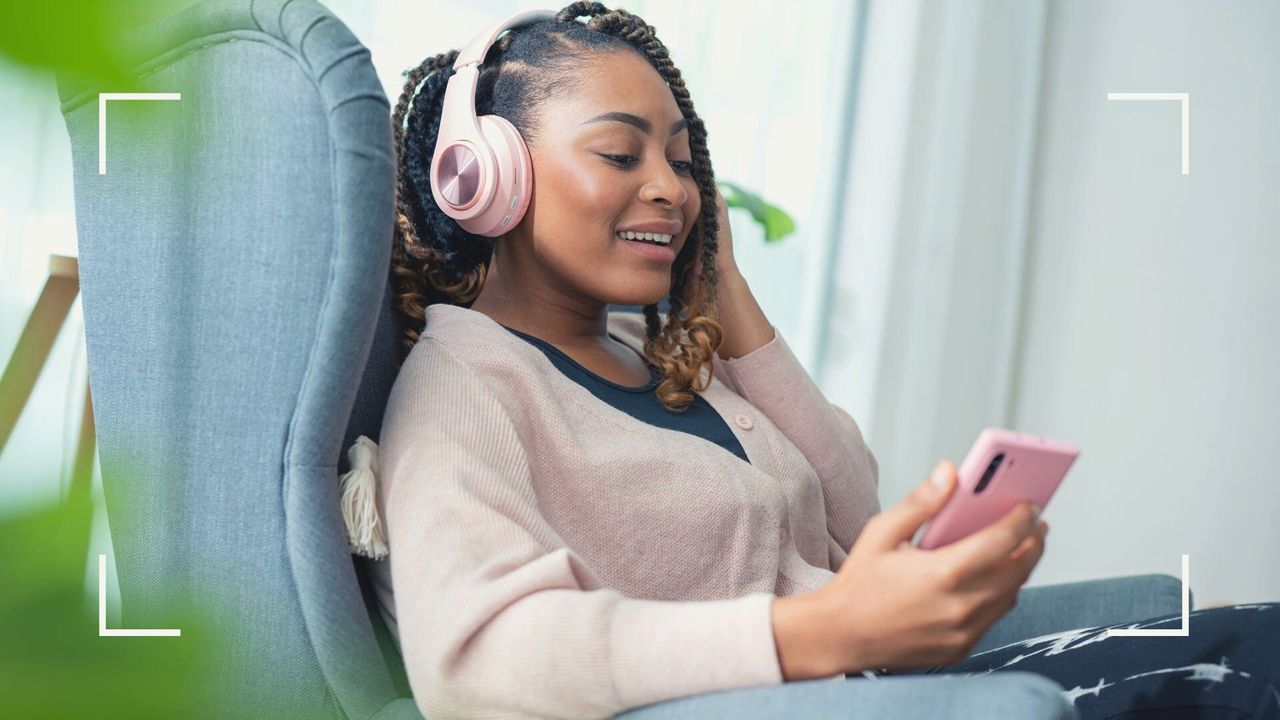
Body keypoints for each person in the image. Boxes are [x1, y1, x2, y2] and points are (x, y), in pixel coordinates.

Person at [363, 2, 1279, 718]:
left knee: (1258, 644)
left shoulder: (656, 355)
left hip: (897, 690)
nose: (671, 188)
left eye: (683, 164)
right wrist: (822, 630)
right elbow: (475, 659)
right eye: (620, 152)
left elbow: (854, 513)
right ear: (480, 177)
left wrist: (723, 283)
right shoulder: (468, 381)